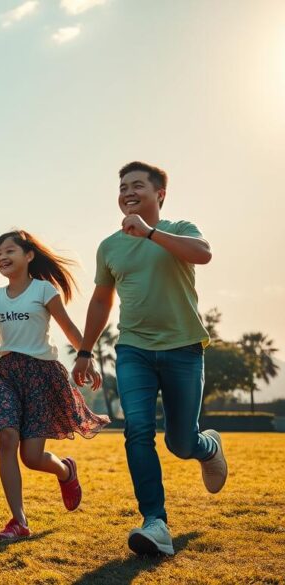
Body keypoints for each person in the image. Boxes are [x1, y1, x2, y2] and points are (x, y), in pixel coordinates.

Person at [71, 161, 227, 556]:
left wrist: (151, 233)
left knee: (180, 441)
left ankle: (206, 447)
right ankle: (155, 521)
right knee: (137, 429)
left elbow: (203, 254)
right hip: (133, 349)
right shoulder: (109, 246)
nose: (127, 192)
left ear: (159, 194)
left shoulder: (180, 230)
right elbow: (102, 300)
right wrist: (86, 351)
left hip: (183, 349)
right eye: (122, 187)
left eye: (137, 185)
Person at [0, 230, 109, 540]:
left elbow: (70, 328)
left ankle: (65, 471)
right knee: (7, 438)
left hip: (41, 374)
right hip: (7, 373)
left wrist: (86, 357)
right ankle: (18, 521)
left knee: (32, 458)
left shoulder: (43, 290)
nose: (2, 258)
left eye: (9, 251)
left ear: (29, 256)